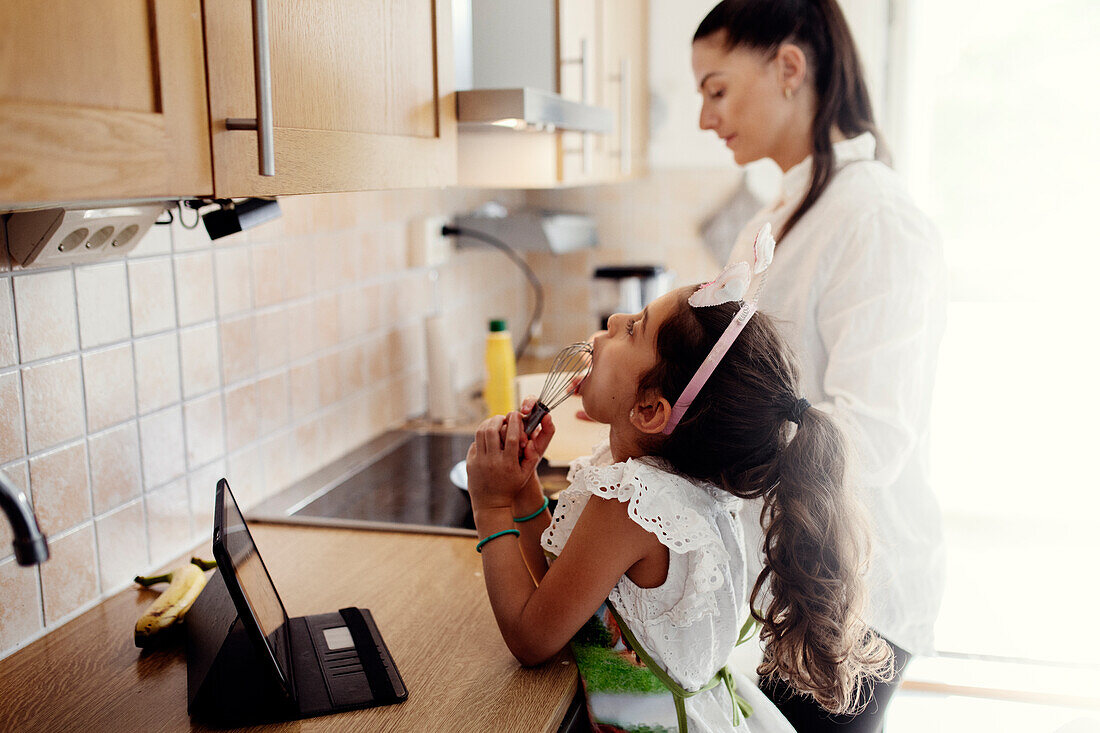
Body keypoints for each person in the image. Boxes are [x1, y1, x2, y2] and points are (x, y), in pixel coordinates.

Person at [466, 233, 893, 732]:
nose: (613, 321)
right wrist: (523, 490)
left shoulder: (630, 507)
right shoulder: (672, 487)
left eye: (633, 330)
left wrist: (491, 506)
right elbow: (563, 593)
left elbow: (533, 636)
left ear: (649, 410)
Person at [691, 1, 948, 729]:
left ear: (790, 67)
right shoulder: (778, 213)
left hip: (853, 597)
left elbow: (874, 436)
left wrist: (714, 446)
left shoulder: (875, 218)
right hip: (791, 582)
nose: (706, 119)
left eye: (716, 89)